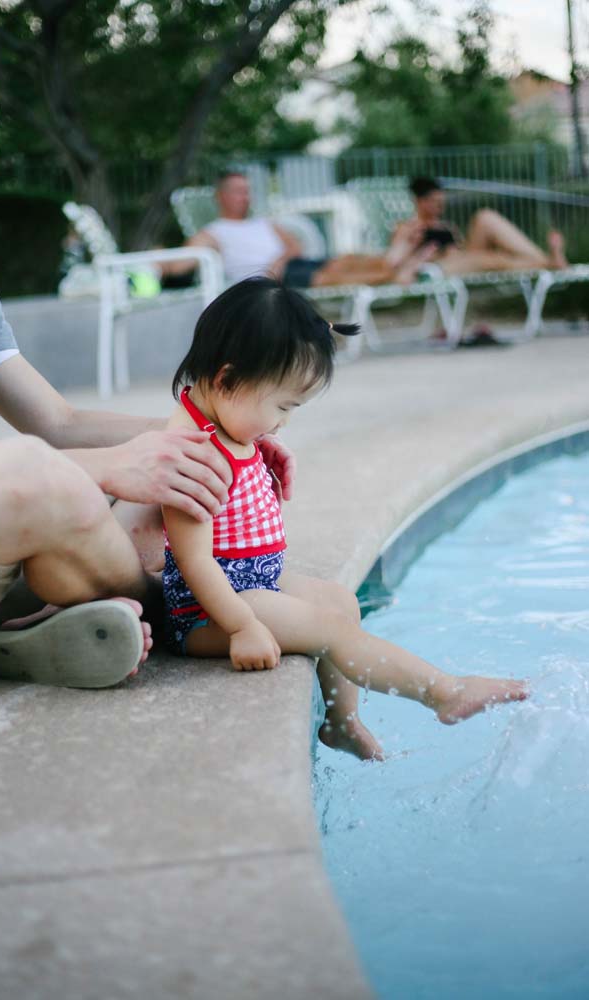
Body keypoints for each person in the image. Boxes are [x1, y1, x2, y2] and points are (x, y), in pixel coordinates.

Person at [0, 6, 295, 688]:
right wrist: (103, 468)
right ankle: (195, 612)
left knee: (161, 477)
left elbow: (58, 421)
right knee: (33, 471)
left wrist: (210, 439)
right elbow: (50, 455)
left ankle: (46, 626)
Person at [160, 277, 528, 760]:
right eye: (283, 406)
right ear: (227, 380)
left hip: (253, 582)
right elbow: (193, 561)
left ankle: (341, 722)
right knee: (329, 631)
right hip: (210, 610)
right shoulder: (192, 454)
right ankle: (444, 692)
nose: (283, 423)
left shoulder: (221, 422)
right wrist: (241, 626)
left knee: (340, 603)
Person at [168, 171, 433, 289]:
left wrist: (280, 260)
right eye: (239, 192)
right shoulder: (214, 231)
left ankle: (395, 262)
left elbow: (294, 245)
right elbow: (180, 264)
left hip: (289, 265)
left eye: (247, 191)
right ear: (221, 196)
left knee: (346, 260)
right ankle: (397, 267)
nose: (246, 197)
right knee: (334, 274)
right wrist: (155, 264)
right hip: (271, 281)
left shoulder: (263, 222)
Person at [391, 176, 568, 276]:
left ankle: (544, 259)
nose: (440, 207)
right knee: (491, 259)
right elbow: (397, 260)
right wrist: (423, 253)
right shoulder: (407, 228)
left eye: (441, 202)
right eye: (435, 203)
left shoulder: (445, 225)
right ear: (419, 202)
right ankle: (549, 262)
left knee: (485, 216)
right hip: (440, 266)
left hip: (463, 258)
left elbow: (459, 246)